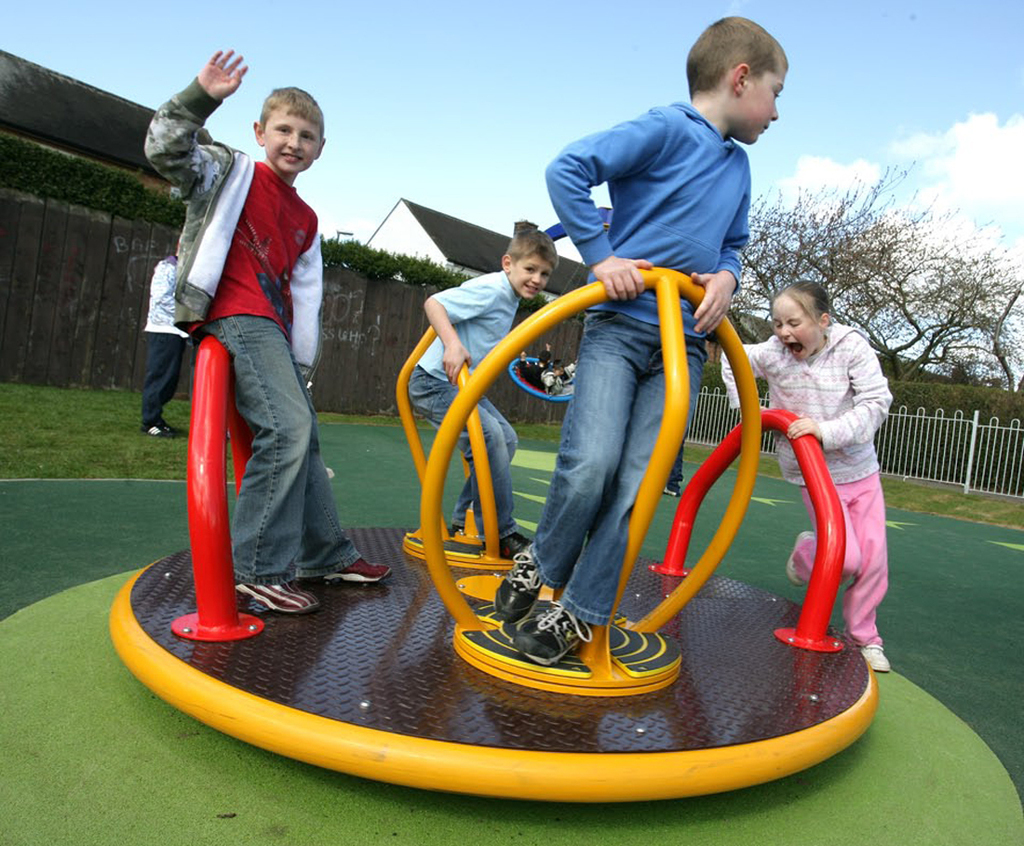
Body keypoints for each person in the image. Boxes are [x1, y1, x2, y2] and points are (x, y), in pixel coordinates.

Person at [494, 16, 787, 666]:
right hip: (623, 328)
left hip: (683, 347)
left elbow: (733, 241)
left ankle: (576, 613)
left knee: (638, 485)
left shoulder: (738, 168)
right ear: (740, 79)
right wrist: (601, 257)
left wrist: (728, 278)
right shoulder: (664, 129)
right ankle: (537, 561)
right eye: (775, 92)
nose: (776, 112)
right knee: (592, 465)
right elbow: (568, 168)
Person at [144, 48, 389, 615]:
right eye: (283, 129)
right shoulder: (228, 172)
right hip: (232, 312)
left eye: (307, 136)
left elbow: (305, 291)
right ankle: (256, 569)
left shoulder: (306, 219)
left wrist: (303, 358)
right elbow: (164, 148)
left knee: (304, 437)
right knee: (287, 429)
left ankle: (326, 552)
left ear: (320, 149)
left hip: (272, 328)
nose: (294, 143)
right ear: (258, 131)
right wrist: (199, 97)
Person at [722, 281, 893, 672]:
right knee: (845, 559)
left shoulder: (851, 347)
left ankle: (865, 638)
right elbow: (733, 360)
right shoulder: (773, 353)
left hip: (860, 469)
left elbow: (876, 401)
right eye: (777, 322)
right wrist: (746, 409)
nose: (784, 332)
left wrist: (826, 430)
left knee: (874, 562)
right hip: (814, 472)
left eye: (794, 323)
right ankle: (808, 556)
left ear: (822, 321)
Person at [408, 222, 556, 558]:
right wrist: (451, 345)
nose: (537, 279)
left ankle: (466, 520)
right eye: (530, 269)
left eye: (544, 274)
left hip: (462, 386)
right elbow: (435, 303)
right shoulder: (493, 288)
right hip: (434, 382)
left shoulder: (510, 297)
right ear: (508, 264)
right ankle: (501, 532)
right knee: (487, 437)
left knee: (506, 438)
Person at [140, 254, 188, 437]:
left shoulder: (183, 267)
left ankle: (155, 420)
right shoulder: (167, 267)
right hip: (163, 329)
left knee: (169, 379)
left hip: (176, 331)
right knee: (159, 376)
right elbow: (161, 298)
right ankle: (150, 422)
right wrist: (186, 315)